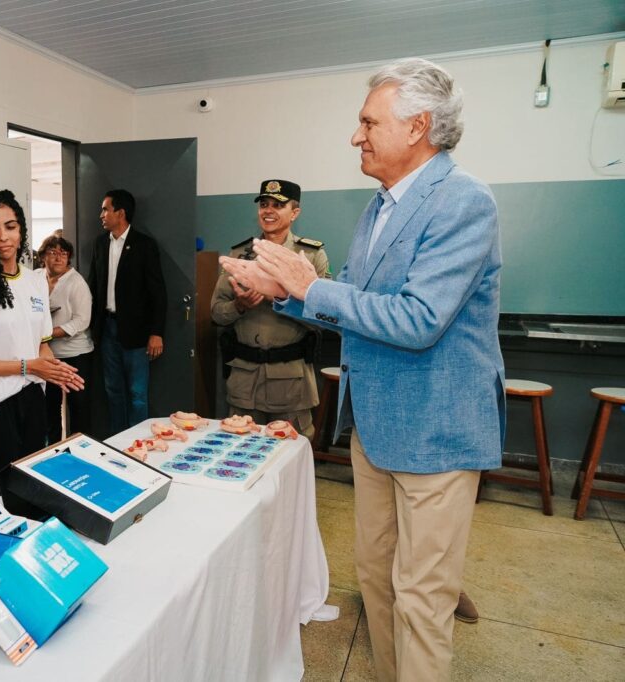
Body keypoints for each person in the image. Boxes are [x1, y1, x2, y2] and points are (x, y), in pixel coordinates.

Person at [221, 58, 504, 680]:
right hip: (374, 428)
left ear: (418, 127)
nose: (357, 135)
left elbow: (419, 319)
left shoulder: (462, 201)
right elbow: (355, 306)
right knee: (377, 580)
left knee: (423, 598)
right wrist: (279, 290)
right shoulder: (379, 207)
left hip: (435, 431)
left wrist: (307, 285)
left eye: (368, 121)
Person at [0, 190, 84, 504]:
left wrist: (56, 370)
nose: (3, 237)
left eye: (10, 227)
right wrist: (27, 366)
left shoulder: (35, 281)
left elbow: (41, 345)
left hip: (32, 400)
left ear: (22, 230)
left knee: (31, 497)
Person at [211, 179, 329, 437]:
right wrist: (239, 306)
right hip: (244, 381)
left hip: (290, 383)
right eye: (264, 204)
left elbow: (325, 317)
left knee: (290, 456)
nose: (268, 210)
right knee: (239, 455)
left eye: (278, 205)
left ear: (295, 212)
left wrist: (280, 298)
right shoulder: (240, 254)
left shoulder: (309, 256)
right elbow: (217, 313)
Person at [87, 189, 167, 434]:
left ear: (120, 213)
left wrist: (156, 332)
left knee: (137, 393)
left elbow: (157, 292)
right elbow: (93, 284)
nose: (101, 214)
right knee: (113, 390)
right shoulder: (100, 244)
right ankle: (118, 442)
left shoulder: (144, 245)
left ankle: (138, 442)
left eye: (105, 209)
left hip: (136, 331)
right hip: (107, 328)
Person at [39, 233, 94, 443]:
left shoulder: (76, 283)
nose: (58, 257)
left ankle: (81, 451)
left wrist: (48, 333)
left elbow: (82, 321)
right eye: (53, 252)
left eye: (63, 253)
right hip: (48, 356)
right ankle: (51, 451)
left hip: (76, 354)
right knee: (49, 408)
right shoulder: (36, 278)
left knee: (78, 408)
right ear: (43, 256)